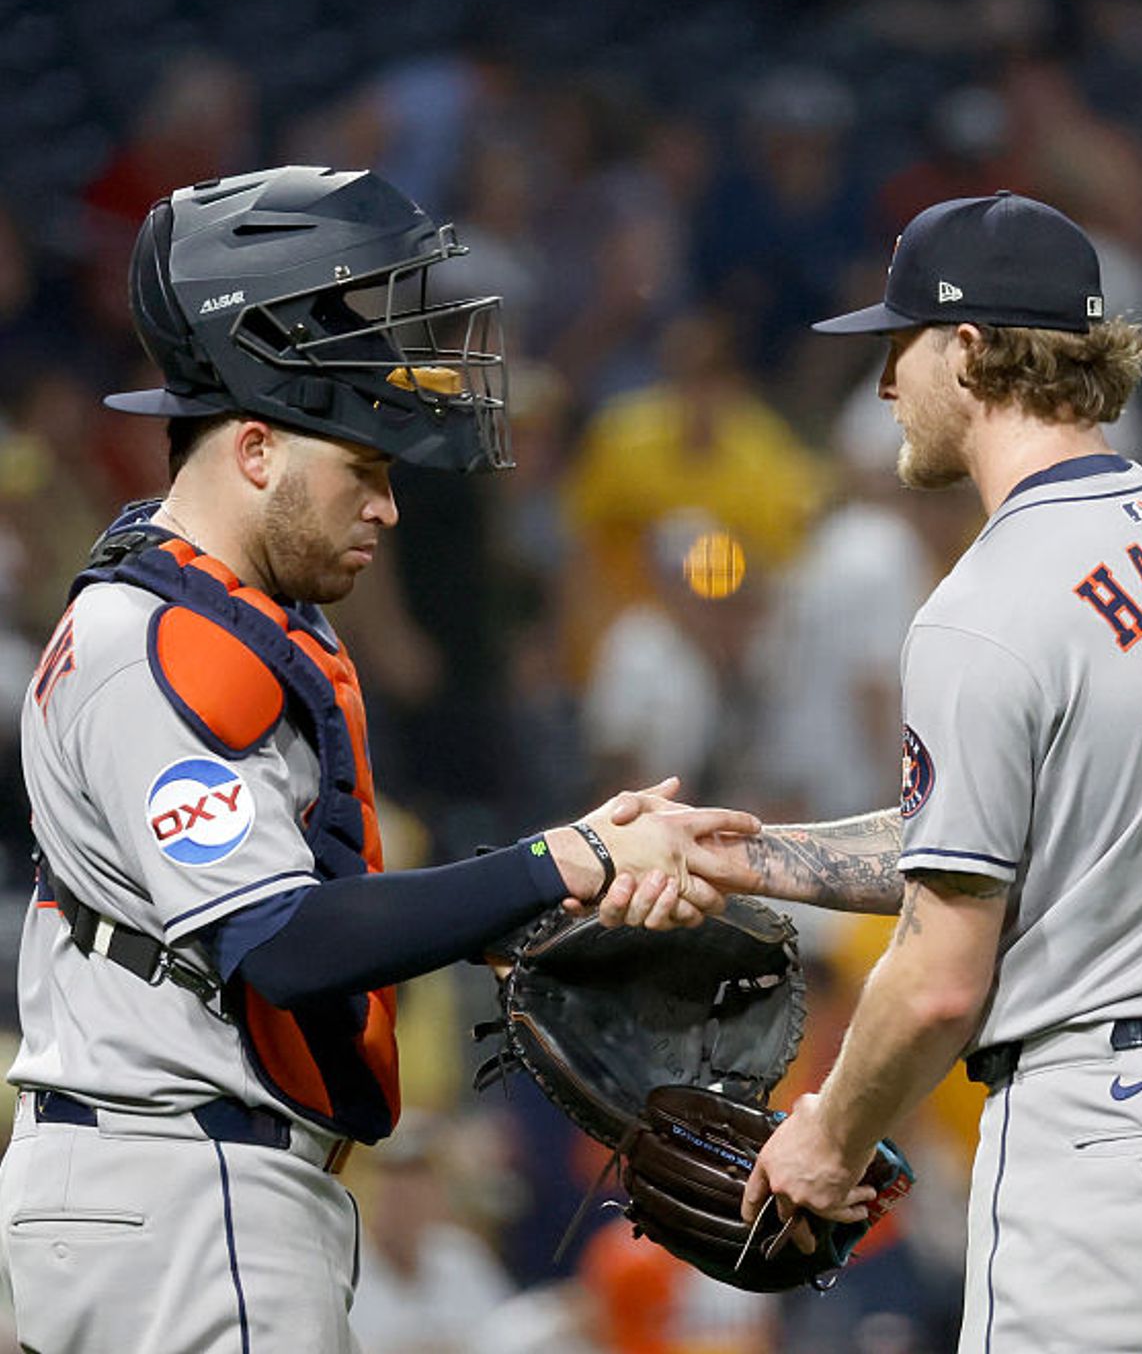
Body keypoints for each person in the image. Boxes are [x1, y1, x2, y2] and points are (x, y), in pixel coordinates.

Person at [0, 165, 758, 1354]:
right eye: (362, 470)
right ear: (253, 448)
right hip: (189, 1193)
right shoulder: (163, 642)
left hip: (163, 1185)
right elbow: (285, 944)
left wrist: (581, 875)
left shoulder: (205, 612)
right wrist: (559, 860)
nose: (387, 509)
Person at [619, 191, 1142, 1351]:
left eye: (898, 345)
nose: (883, 387)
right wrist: (752, 855)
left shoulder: (982, 606)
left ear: (968, 347)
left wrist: (823, 1138)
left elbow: (937, 974)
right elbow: (1024, 837)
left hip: (1125, 1146)